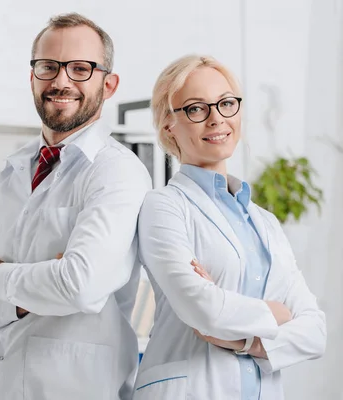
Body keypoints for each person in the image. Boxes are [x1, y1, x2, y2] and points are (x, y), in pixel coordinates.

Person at [0, 12, 152, 400]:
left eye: (81, 68)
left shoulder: (117, 173)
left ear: (109, 84)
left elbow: (78, 286)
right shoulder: (3, 178)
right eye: (49, 67)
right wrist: (22, 303)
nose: (61, 81)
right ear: (32, 77)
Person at [133, 54, 326, 399]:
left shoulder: (265, 222)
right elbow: (202, 309)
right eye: (195, 109)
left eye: (226, 104)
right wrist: (276, 313)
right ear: (168, 125)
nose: (216, 119)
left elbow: (315, 332)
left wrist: (245, 340)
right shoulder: (163, 206)